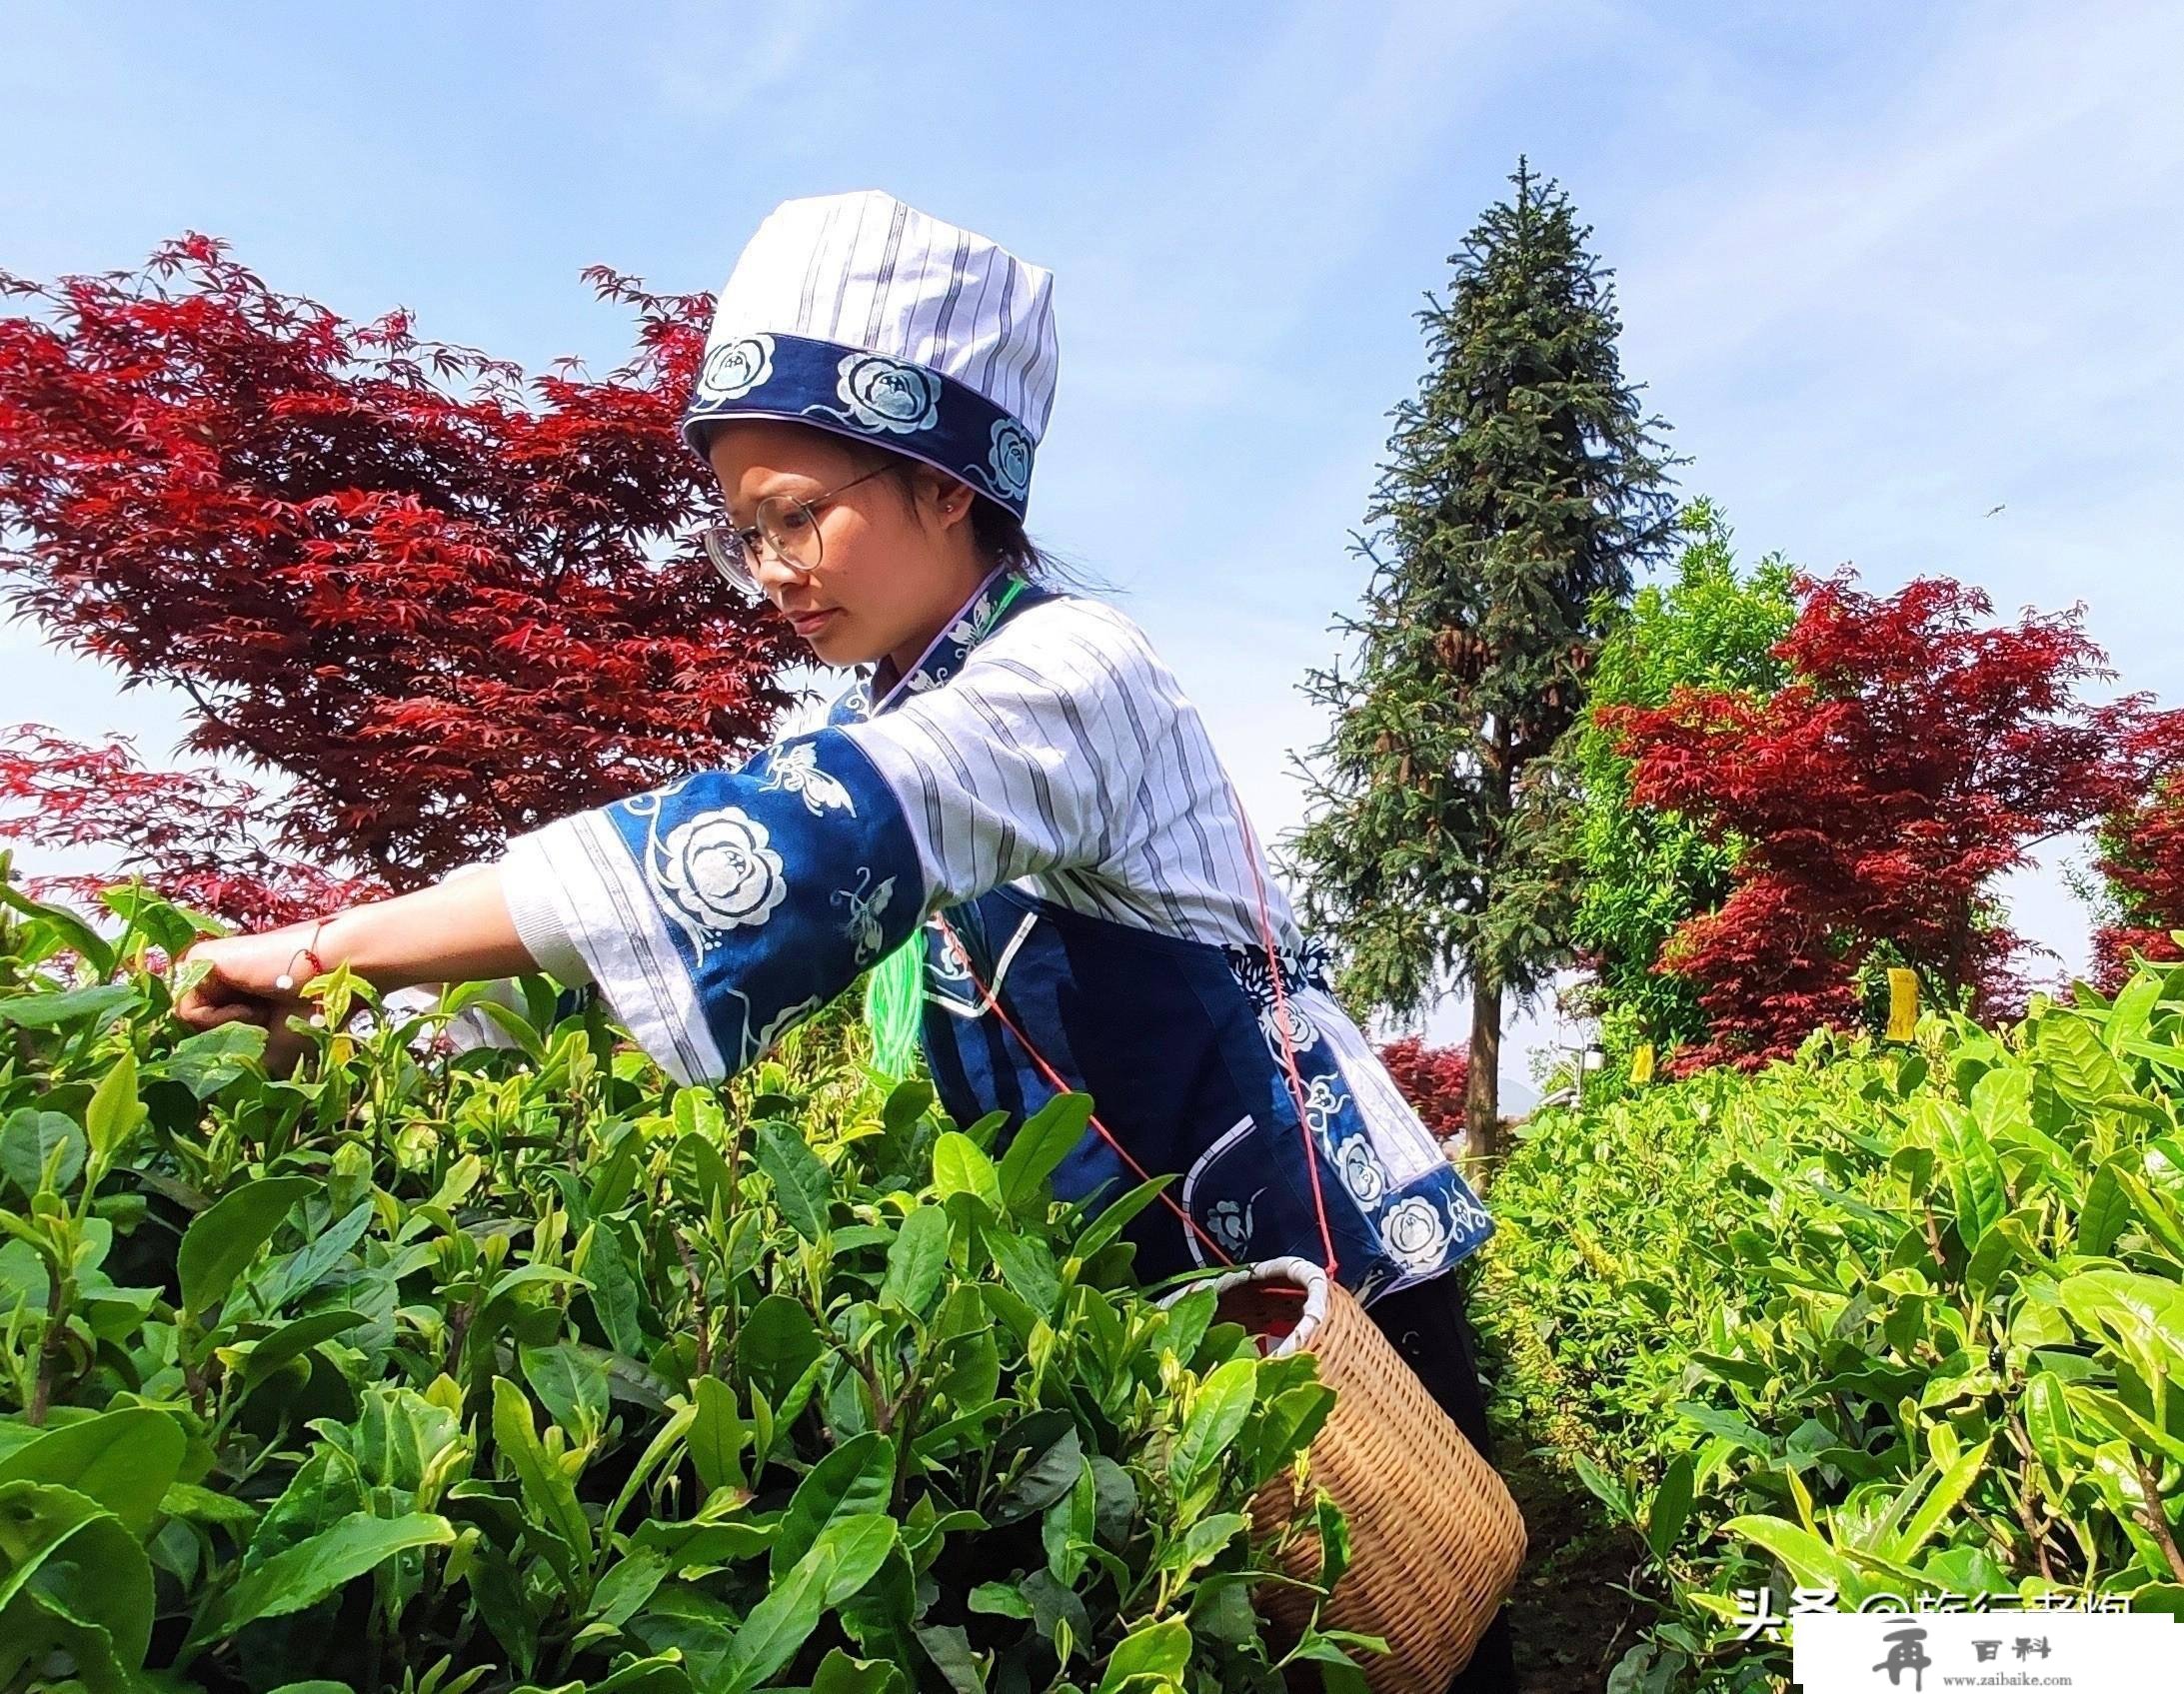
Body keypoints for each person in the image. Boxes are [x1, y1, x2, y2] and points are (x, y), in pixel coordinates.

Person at [176, 190, 1518, 1690]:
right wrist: (403, 1039)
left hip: (1321, 1272)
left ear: (948, 483)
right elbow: (683, 958)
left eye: (801, 514)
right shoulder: (892, 707)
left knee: (1427, 1637)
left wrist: (338, 945)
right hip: (1168, 1306)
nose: (770, 569)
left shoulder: (1071, 671)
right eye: (743, 532)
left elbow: (789, 851)